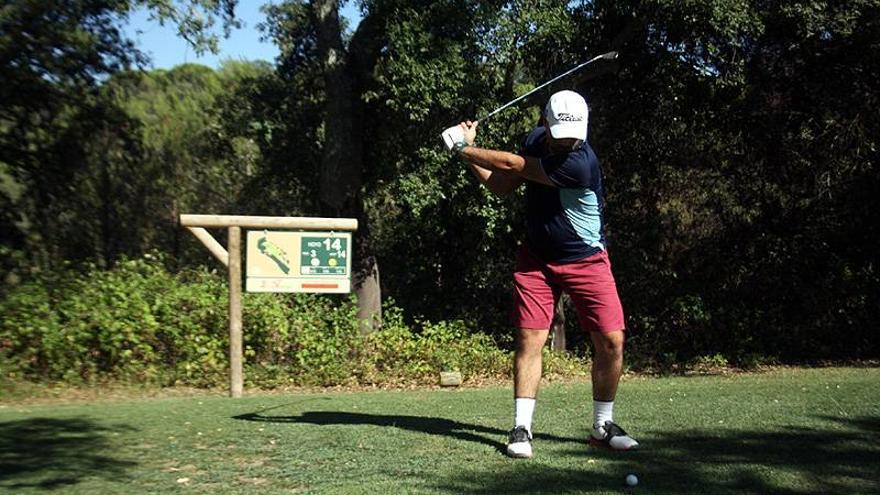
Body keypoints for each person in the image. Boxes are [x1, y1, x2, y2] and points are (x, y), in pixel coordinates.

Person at [447, 90, 638, 458]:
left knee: (612, 341)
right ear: (545, 125)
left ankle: (602, 426)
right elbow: (502, 185)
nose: (569, 142)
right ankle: (521, 429)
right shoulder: (536, 140)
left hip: (586, 259)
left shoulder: (580, 162)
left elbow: (516, 167)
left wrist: (463, 147)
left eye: (574, 134)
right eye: (561, 133)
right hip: (536, 258)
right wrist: (465, 154)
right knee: (529, 338)